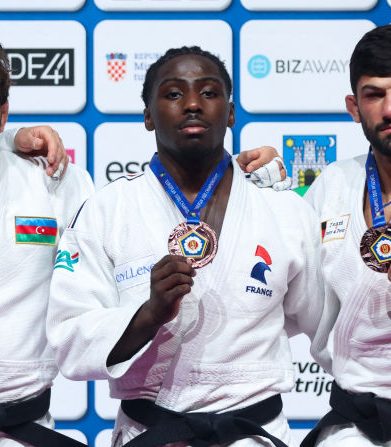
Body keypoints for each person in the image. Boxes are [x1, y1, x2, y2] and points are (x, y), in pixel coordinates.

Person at [47, 45, 327, 447]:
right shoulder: (105, 211)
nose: (193, 104)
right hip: (151, 433)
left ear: (230, 113)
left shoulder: (283, 210)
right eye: (174, 94)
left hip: (253, 435)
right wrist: (148, 315)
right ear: (147, 115)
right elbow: (70, 339)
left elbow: (321, 320)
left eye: (210, 93)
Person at [238, 24, 391, 447]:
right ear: (354, 106)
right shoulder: (334, 185)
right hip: (357, 424)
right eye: (374, 94)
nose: (389, 109)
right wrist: (269, 190)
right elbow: (281, 279)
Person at [0, 43, 93, 446]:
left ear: (2, 112)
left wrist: (237, 177)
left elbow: (133, 252)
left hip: (24, 428)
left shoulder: (51, 179)